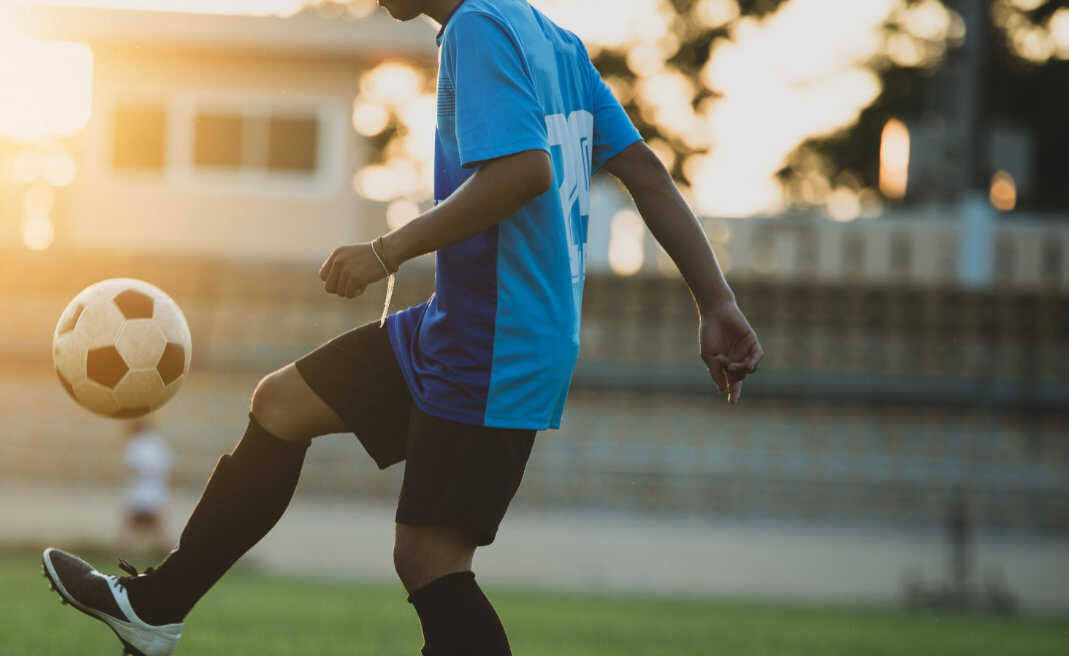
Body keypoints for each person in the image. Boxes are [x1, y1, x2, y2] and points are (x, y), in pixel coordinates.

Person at [39, 0, 763, 654]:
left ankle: (158, 606)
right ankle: (155, 607)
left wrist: (386, 251)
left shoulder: (479, 28)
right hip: (461, 324)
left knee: (428, 559)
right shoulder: (553, 40)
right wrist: (715, 302)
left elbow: (522, 174)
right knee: (280, 404)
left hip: (496, 342)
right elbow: (645, 173)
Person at [117, 419, 173, 559]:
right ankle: (171, 557)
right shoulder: (158, 443)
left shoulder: (136, 443)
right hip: (156, 491)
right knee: (159, 530)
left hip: (139, 491)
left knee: (128, 528)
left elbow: (131, 467)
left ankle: (122, 558)